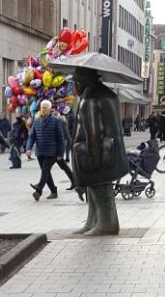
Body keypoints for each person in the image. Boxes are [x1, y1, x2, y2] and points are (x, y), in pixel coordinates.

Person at [71, 69, 128, 235]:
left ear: (80, 83)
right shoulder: (107, 93)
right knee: (95, 188)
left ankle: (106, 224)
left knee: (99, 187)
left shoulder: (89, 99)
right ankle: (93, 221)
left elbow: (93, 132)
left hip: (98, 153)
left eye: (74, 82)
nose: (74, 86)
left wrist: (93, 159)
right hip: (111, 151)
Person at [26, 100, 64, 201]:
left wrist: (60, 153)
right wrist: (28, 148)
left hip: (51, 151)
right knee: (46, 173)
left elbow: (60, 138)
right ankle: (54, 191)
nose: (43, 110)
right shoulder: (37, 121)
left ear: (49, 109)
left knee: (45, 171)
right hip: (40, 152)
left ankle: (38, 191)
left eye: (45, 108)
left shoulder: (55, 121)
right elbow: (31, 136)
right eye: (42, 108)